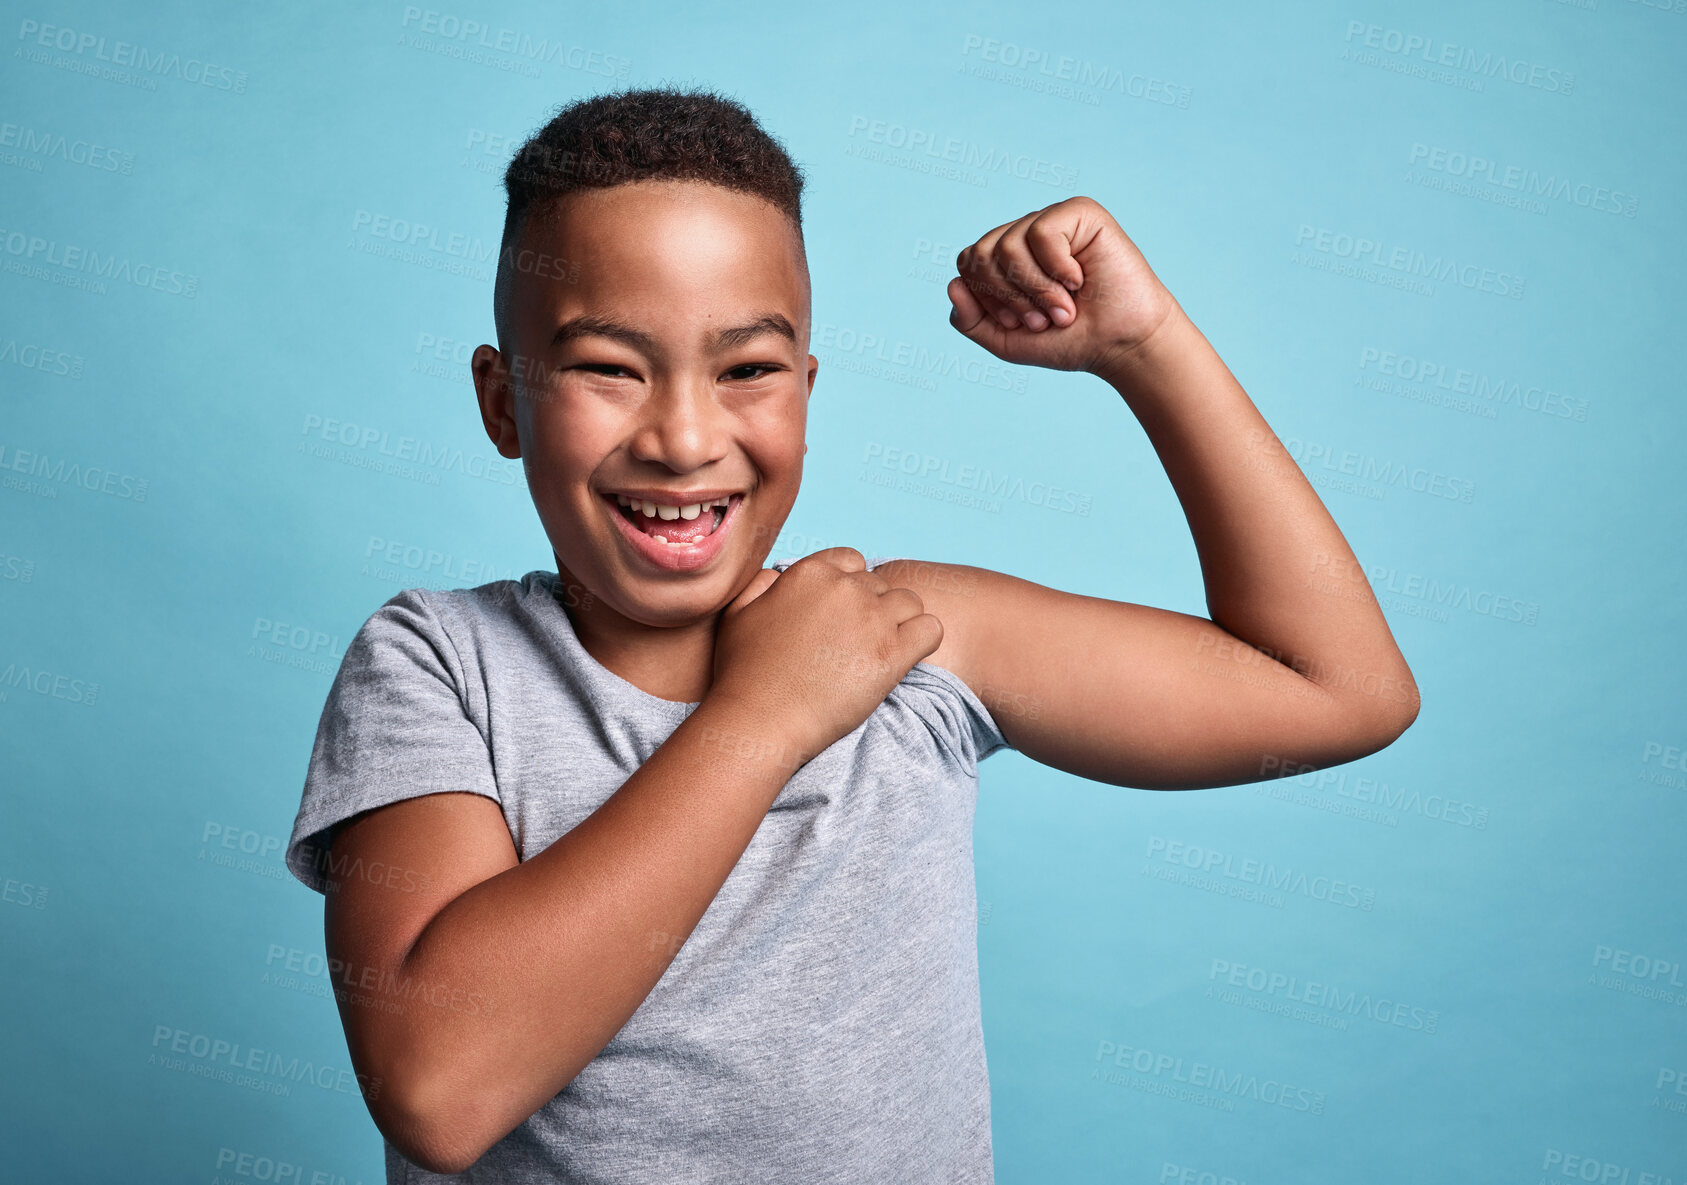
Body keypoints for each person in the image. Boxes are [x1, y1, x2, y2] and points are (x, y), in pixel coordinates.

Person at [285, 86, 1419, 1181]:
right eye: (607, 369)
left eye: (748, 370)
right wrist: (765, 715)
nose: (685, 437)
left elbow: (1339, 689)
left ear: (806, 391)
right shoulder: (436, 666)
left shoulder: (910, 639)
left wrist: (1146, 349)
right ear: (501, 404)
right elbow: (441, 1088)